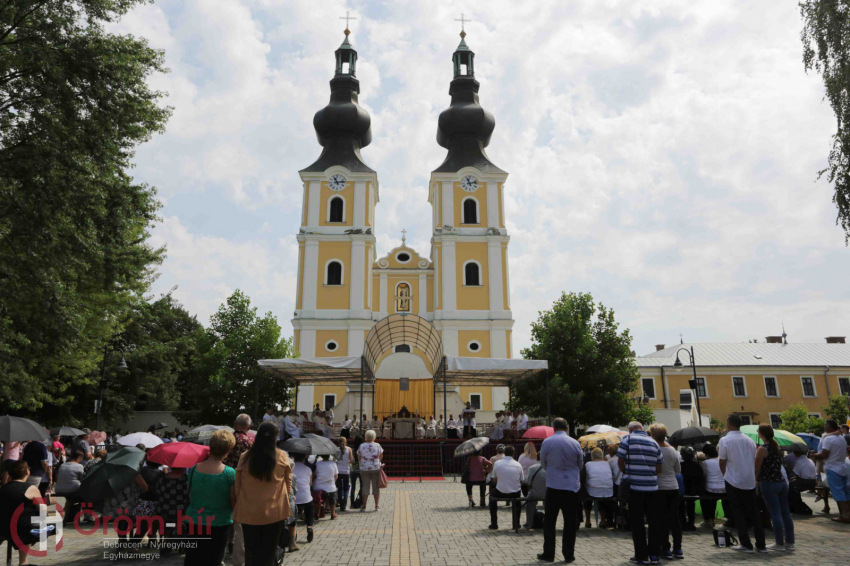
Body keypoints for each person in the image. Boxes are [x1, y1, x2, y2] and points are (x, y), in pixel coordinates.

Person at [233, 421, 293, 566]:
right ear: (275, 437)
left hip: (249, 512)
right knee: (269, 553)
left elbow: (238, 486)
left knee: (251, 552)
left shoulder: (245, 457)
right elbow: (288, 485)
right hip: (275, 512)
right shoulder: (282, 456)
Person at [184, 429, 236, 566]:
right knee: (214, 560)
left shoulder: (194, 469)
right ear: (227, 451)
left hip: (194, 520)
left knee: (192, 559)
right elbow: (233, 502)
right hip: (219, 523)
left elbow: (189, 493)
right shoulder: (230, 473)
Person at [719, 413, 767, 553]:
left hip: (733, 479)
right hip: (749, 479)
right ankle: (761, 544)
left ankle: (746, 544)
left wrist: (725, 475)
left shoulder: (725, 440)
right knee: (754, 513)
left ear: (729, 423)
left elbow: (722, 461)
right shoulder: (749, 440)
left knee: (738, 512)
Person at [537, 418, 583, 564]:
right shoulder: (575, 443)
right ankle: (569, 554)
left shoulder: (547, 442)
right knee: (570, 523)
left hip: (554, 486)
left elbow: (543, 462)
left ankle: (549, 553)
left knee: (550, 522)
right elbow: (580, 463)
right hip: (571, 487)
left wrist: (553, 471)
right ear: (567, 428)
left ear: (554, 428)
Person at [617, 421, 663, 565]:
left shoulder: (627, 440)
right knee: (654, 522)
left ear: (630, 430)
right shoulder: (654, 443)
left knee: (637, 523)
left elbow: (620, 461)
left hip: (635, 488)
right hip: (652, 488)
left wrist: (627, 472)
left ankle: (641, 556)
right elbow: (659, 467)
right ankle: (654, 555)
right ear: (642, 429)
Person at [755, 424, 795, 551]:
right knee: (786, 512)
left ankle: (779, 542)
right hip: (781, 482)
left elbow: (757, 467)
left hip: (768, 482)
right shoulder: (777, 447)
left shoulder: (762, 449)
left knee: (775, 513)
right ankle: (790, 542)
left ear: (761, 434)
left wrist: (756, 479)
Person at [0, 460, 45, 566]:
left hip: (3, 528)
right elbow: (43, 510)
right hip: (22, 529)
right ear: (27, 472)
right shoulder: (31, 488)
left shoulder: (3, 489)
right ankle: (23, 562)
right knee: (28, 520)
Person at [648, 423, 682, 560]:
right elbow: (678, 470)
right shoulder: (673, 450)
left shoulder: (654, 450)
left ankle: (665, 548)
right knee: (675, 518)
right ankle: (678, 548)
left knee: (661, 519)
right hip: (673, 486)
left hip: (659, 487)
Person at [224, 413, 254, 566]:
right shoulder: (249, 442)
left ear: (236, 424)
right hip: (240, 484)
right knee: (238, 518)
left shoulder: (226, 439)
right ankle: (235, 547)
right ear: (248, 426)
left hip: (223, 479)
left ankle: (225, 544)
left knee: (225, 514)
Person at [813, 419, 850, 523]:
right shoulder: (841, 438)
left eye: (825, 425)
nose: (824, 427)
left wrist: (815, 455)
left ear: (829, 427)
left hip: (832, 468)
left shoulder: (828, 439)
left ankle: (844, 515)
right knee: (846, 492)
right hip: (842, 467)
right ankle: (848, 513)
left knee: (838, 493)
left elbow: (824, 454)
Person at [151, 465, 190, 547]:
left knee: (167, 523)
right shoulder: (186, 479)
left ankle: (167, 536)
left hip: (164, 512)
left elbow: (157, 493)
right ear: (183, 467)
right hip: (181, 513)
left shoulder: (162, 478)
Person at [489, 445, 524, 531]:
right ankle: (516, 523)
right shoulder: (518, 464)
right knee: (517, 502)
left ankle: (494, 523)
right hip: (515, 492)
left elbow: (494, 480)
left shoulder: (497, 463)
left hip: (500, 491)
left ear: (504, 452)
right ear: (513, 453)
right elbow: (521, 481)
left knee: (491, 498)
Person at [582, 447, 615, 529]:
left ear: (592, 456)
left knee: (587, 497)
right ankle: (603, 520)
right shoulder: (607, 463)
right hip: (608, 490)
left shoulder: (588, 464)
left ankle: (588, 521)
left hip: (593, 491)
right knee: (602, 498)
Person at [54, 450, 85, 524]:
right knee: (82, 494)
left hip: (58, 488)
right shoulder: (79, 466)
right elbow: (83, 479)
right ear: (79, 457)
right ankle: (80, 516)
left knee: (70, 499)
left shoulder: (63, 465)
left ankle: (67, 516)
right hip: (72, 488)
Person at [699, 444, 727, 527]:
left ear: (707, 454)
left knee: (704, 500)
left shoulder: (705, 463)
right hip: (724, 489)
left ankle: (709, 520)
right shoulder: (722, 461)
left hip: (710, 489)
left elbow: (704, 475)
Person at [357, 430, 384, 512]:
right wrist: (377, 461)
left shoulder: (361, 446)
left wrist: (362, 462)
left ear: (365, 437)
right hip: (375, 467)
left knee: (365, 486)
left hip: (364, 467)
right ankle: (376, 506)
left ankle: (364, 506)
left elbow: (359, 456)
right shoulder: (377, 445)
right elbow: (381, 455)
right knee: (375, 486)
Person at [679, 446, 703, 531]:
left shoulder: (680, 465)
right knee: (691, 505)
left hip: (683, 490)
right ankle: (691, 522)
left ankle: (682, 522)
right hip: (693, 490)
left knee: (680, 505)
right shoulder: (697, 465)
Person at [523, 457, 547, 530]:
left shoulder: (532, 468)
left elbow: (528, 482)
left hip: (534, 493)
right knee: (548, 505)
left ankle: (529, 523)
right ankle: (548, 523)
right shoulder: (550, 468)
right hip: (547, 494)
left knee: (530, 504)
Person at [313, 454, 338, 519]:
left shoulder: (318, 464)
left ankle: (317, 513)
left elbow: (315, 475)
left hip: (319, 486)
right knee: (332, 500)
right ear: (329, 456)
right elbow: (336, 476)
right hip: (331, 487)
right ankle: (333, 514)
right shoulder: (333, 463)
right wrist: (332, 482)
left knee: (318, 501)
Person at [336, 437, 353, 511]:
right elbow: (351, 460)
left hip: (338, 471)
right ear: (345, 442)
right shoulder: (349, 449)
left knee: (339, 488)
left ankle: (340, 503)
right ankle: (344, 505)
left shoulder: (336, 449)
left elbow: (334, 460)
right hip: (346, 471)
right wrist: (347, 461)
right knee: (346, 489)